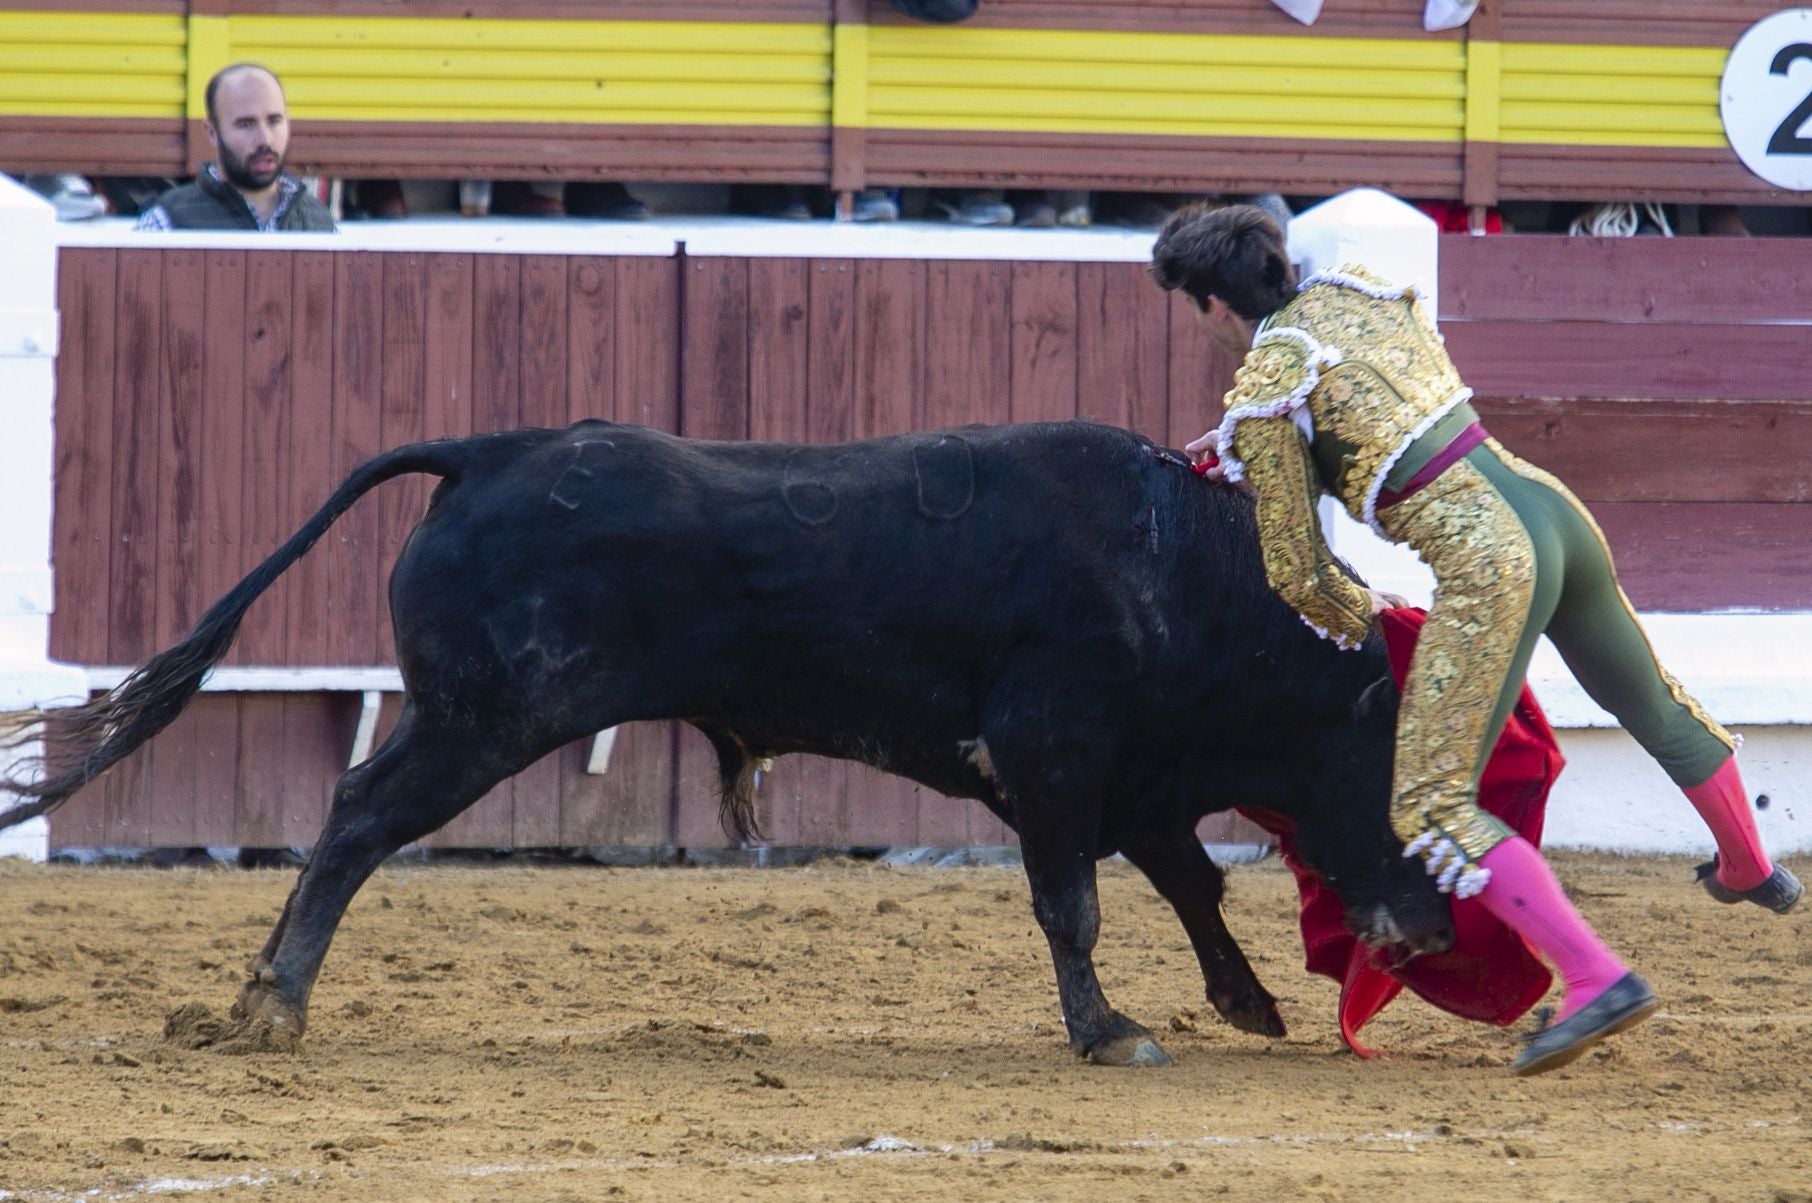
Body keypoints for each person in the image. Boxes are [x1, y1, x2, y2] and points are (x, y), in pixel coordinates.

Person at [1150, 203, 1800, 1076]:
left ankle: (1595, 977)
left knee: (1429, 807)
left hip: (1489, 561)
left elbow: (1299, 569)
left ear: (1211, 305)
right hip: (1549, 508)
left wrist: (1368, 625)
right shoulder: (1362, 294)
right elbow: (1370, 413)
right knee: (1648, 699)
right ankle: (1751, 862)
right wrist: (1255, 451)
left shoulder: (1268, 378)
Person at [135, 63, 335, 233]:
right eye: (246, 124)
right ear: (212, 132)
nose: (264, 139)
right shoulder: (167, 223)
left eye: (274, 121)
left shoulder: (320, 222)